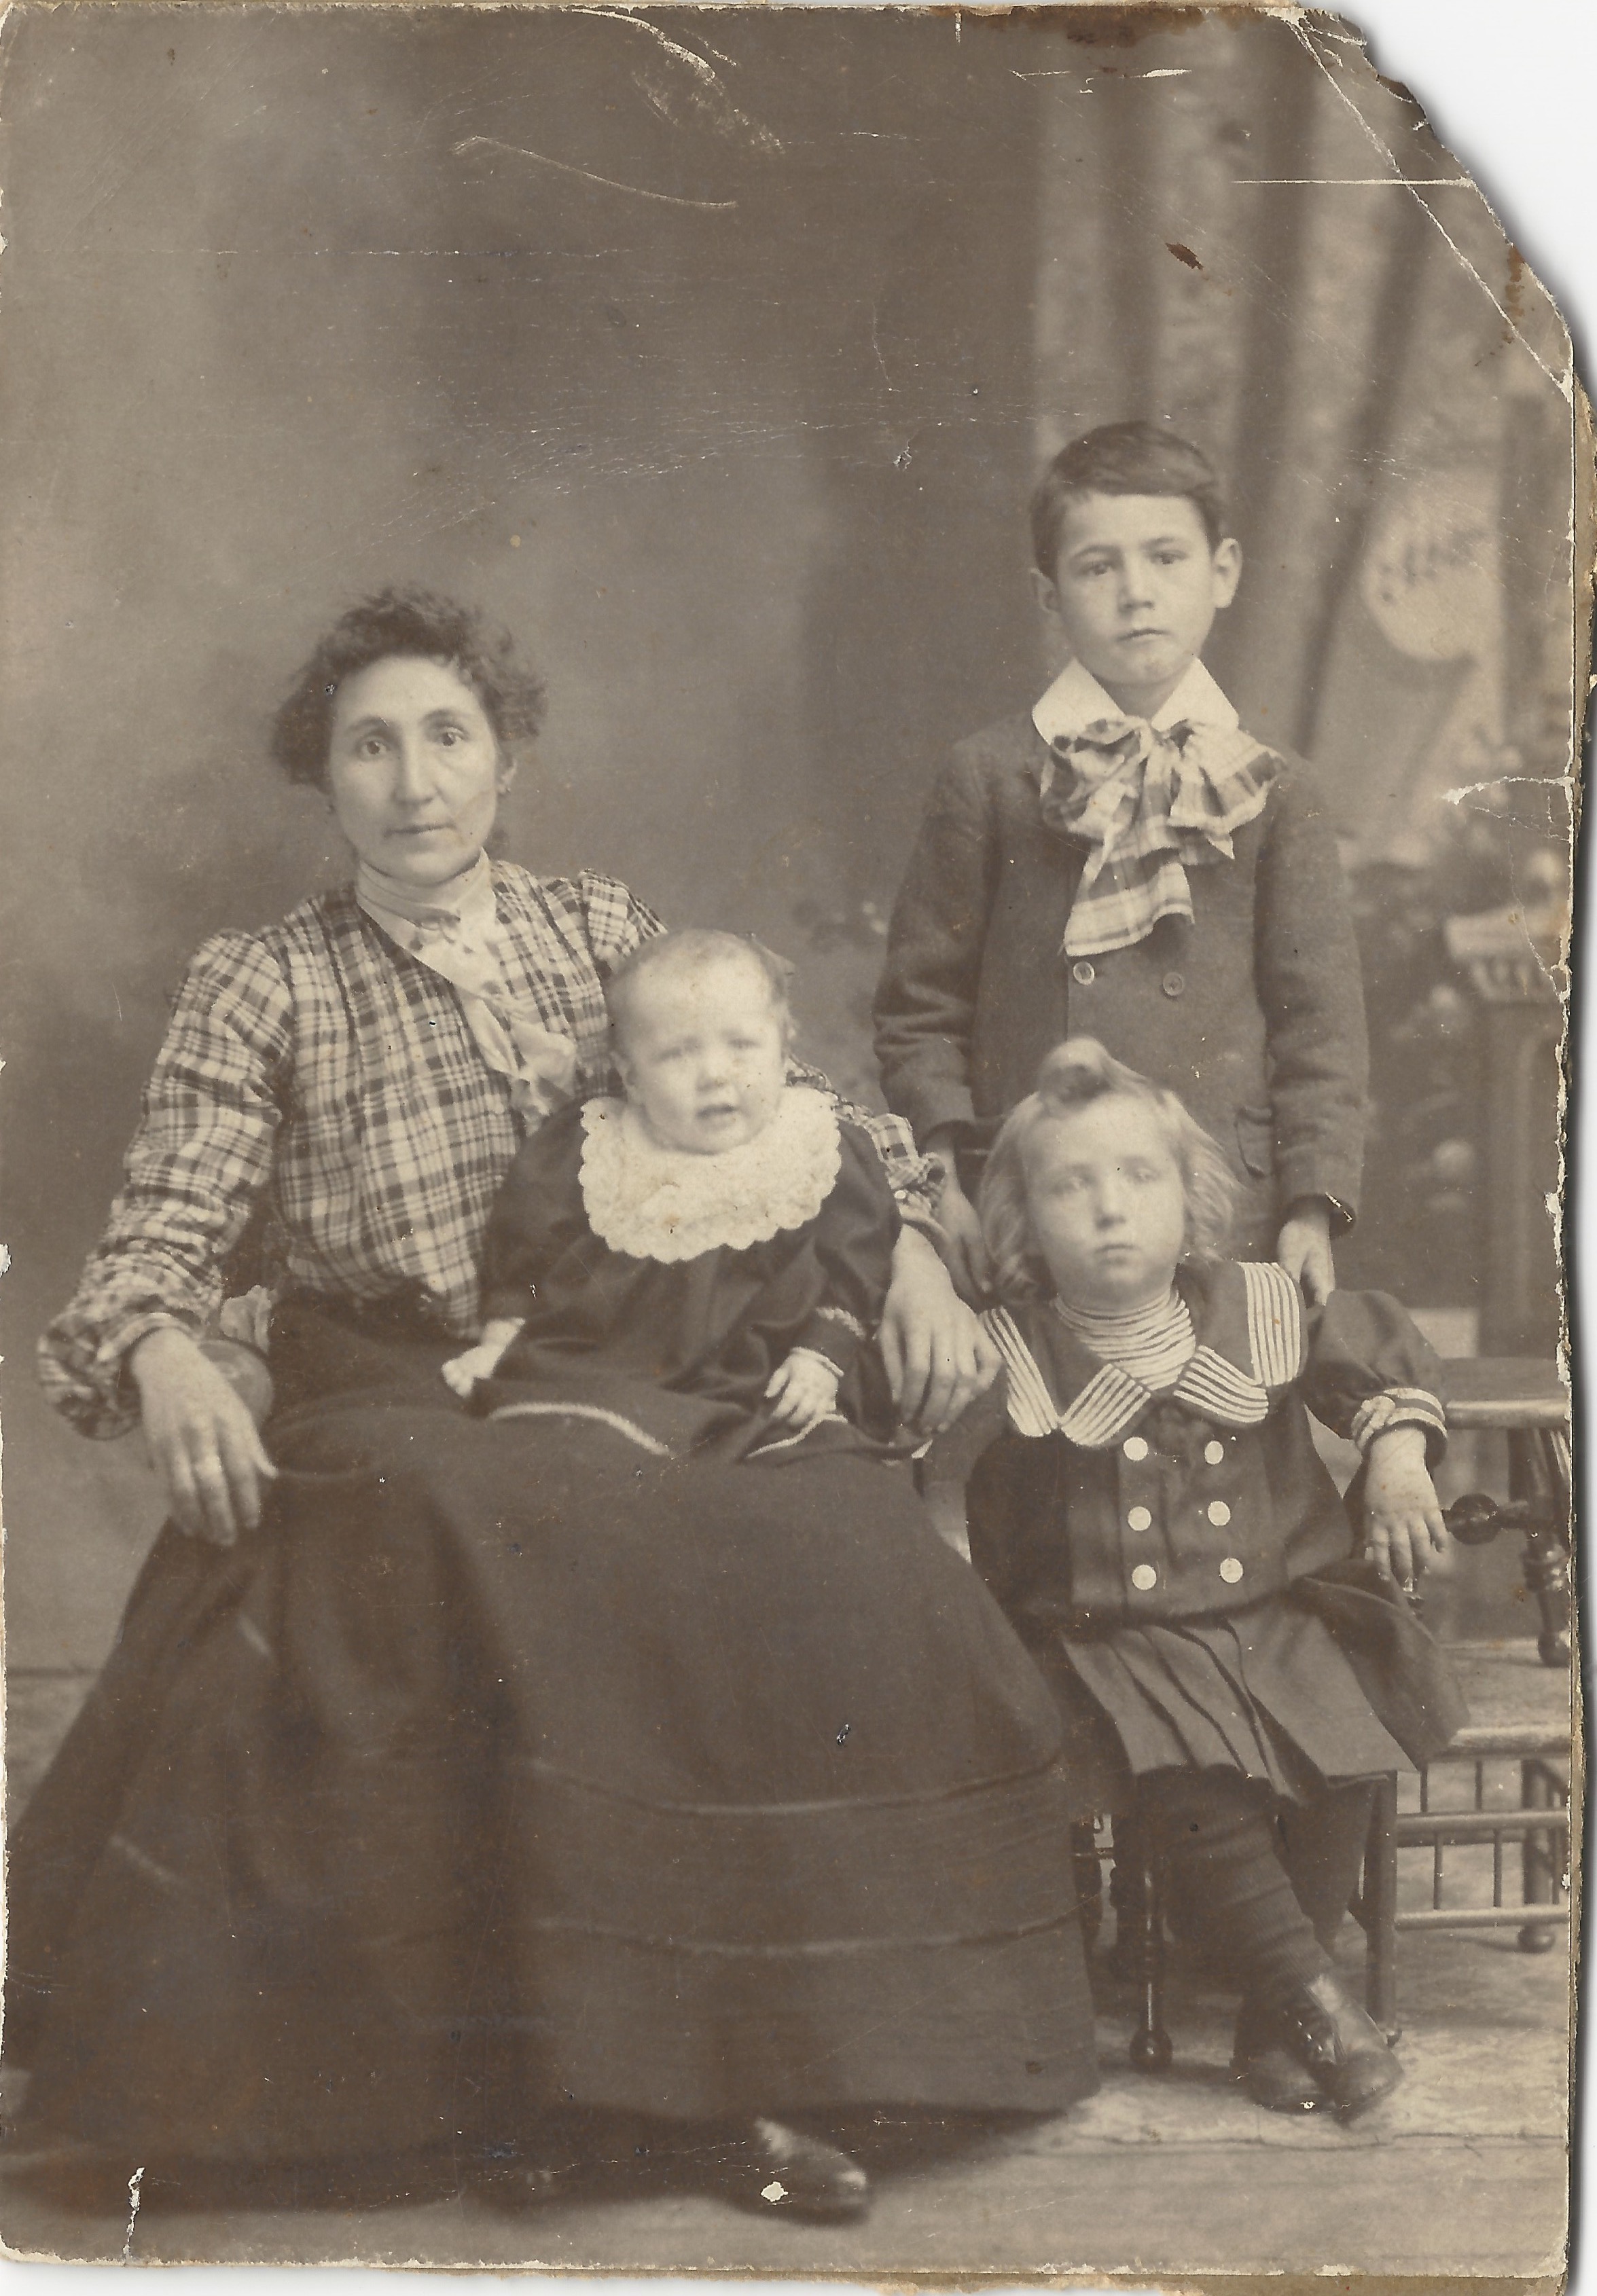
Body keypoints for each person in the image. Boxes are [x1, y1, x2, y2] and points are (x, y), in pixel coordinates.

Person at [13, 588, 1094, 2222]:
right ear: (323, 775)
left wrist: (925, 1261)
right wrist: (163, 1351)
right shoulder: (264, 981)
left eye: (447, 735)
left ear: (504, 755)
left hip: (635, 1352)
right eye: (368, 744)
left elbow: (796, 1106)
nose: (413, 778)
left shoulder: (593, 932)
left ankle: (813, 2043)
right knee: (520, 1514)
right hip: (389, 1380)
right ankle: (608, 2100)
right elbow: (154, 1238)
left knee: (826, 1509)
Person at [957, 1040, 1465, 2118]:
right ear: (1020, 1223)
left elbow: (1371, 1354)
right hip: (1114, 1634)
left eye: (1137, 1178)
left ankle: (1265, 2028)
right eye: (1070, 1185)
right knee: (1182, 1768)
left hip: (1272, 1610)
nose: (1108, 1210)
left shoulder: (1256, 1305)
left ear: (1188, 1200)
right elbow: (982, 1513)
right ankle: (1314, 2000)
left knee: (1345, 1739)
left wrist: (1394, 1453)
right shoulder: (1017, 1351)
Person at [872, 420, 1369, 1311]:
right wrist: (939, 1172)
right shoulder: (991, 777)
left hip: (1219, 1196)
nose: (1135, 593)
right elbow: (921, 1007)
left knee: (1219, 1425)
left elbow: (1318, 1030)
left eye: (1165, 558)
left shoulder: (1273, 788)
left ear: (1222, 571)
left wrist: (1308, 1204)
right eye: (1097, 567)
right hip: (1032, 1196)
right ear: (1048, 593)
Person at [441, 928, 898, 1446]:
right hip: (601, 1364)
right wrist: (500, 1337)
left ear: (784, 1049)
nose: (715, 1075)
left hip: (759, 1372)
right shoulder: (592, 1145)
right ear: (630, 1077)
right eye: (678, 1054)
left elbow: (858, 1263)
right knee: (557, 1439)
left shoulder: (817, 1145)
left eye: (743, 1045)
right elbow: (527, 1246)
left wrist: (822, 1355)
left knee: (806, 1448)